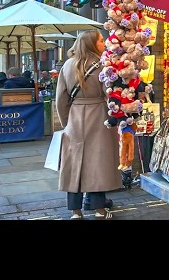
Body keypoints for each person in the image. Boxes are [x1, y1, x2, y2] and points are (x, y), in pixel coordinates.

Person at [55, 30, 120, 220]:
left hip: (75, 116)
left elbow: (61, 98)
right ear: (92, 44)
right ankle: (99, 209)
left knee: (73, 164)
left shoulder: (67, 65)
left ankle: (76, 211)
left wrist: (66, 122)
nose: (104, 42)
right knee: (97, 163)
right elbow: (109, 94)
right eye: (100, 40)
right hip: (99, 114)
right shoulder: (102, 66)